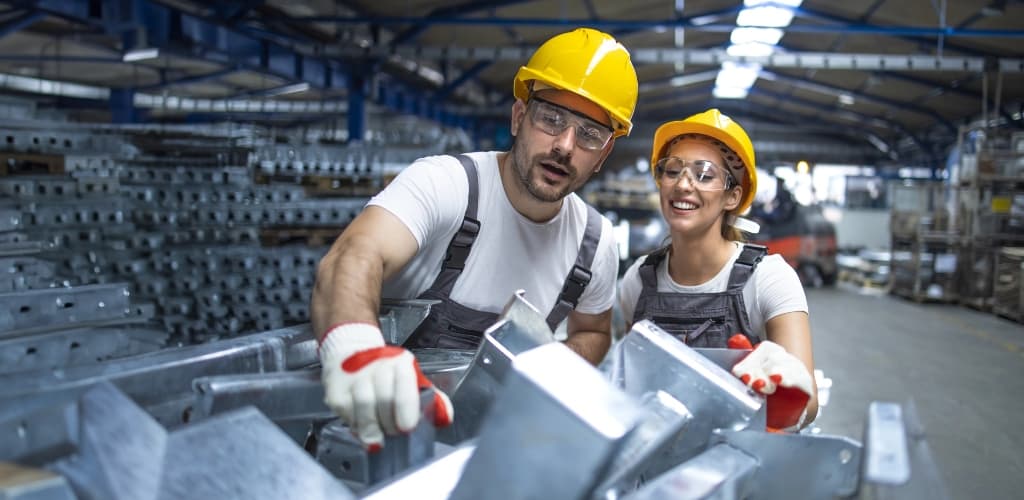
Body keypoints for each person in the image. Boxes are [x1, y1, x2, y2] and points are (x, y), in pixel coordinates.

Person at [310, 27, 638, 450]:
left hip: (497, 451)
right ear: (519, 117)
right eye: (551, 119)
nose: (565, 146)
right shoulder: (447, 184)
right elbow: (353, 256)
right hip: (377, 439)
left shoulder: (595, 243)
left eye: (590, 135)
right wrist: (355, 347)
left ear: (604, 154)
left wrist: (544, 372)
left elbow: (593, 332)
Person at [617, 109, 818, 430]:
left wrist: (785, 401)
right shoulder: (638, 281)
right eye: (672, 171)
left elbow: (808, 401)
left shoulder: (768, 279)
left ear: (732, 196)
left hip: (736, 466)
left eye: (704, 174)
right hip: (651, 468)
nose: (683, 184)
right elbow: (630, 383)